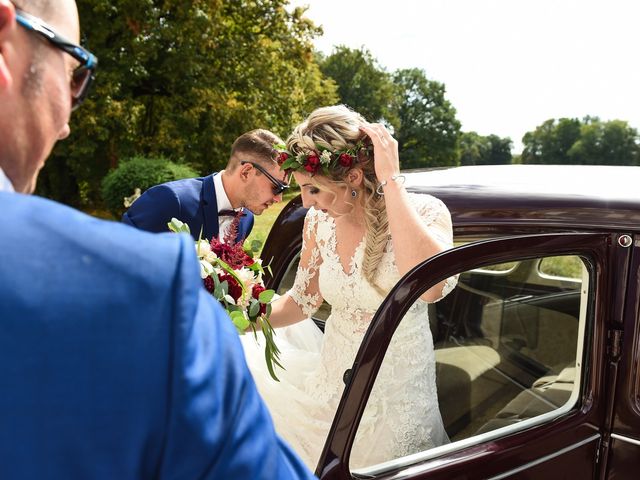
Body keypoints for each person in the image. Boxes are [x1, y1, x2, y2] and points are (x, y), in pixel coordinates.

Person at [0, 1, 315, 478]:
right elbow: (110, 288)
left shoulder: (246, 223)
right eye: (75, 72)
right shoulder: (164, 227)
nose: (67, 122)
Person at [241, 105, 458, 469]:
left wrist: (390, 181)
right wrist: (247, 318)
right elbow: (302, 302)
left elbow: (430, 288)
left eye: (313, 190)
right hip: (332, 389)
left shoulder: (427, 212)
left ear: (354, 178)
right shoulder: (317, 223)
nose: (306, 202)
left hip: (396, 396)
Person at [122, 129, 289, 242]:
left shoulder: (247, 220)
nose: (278, 198)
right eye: (277, 187)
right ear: (246, 172)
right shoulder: (171, 200)